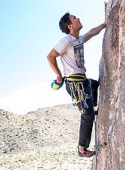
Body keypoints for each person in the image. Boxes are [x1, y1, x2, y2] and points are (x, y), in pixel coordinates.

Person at [47, 12, 106, 157]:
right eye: (74, 18)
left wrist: (105, 24)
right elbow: (50, 56)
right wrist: (59, 76)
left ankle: (91, 108)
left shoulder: (78, 38)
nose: (78, 18)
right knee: (87, 115)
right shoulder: (66, 40)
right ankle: (82, 148)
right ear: (70, 25)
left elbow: (92, 33)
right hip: (75, 83)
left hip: (82, 80)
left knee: (94, 84)